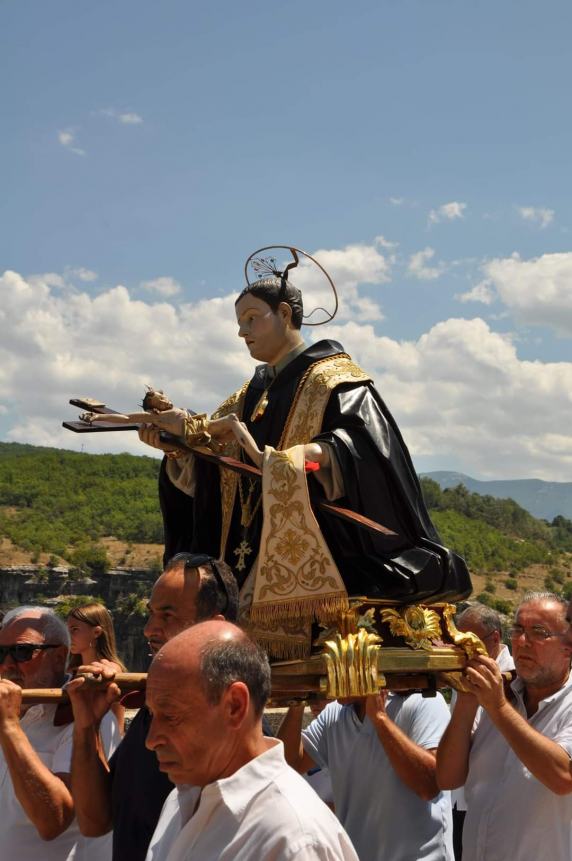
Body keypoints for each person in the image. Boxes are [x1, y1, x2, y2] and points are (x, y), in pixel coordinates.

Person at [139, 256, 470, 657]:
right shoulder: (248, 394)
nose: (242, 332)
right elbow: (216, 463)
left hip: (328, 547)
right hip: (250, 557)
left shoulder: (334, 379)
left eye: (251, 319)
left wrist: (305, 456)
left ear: (283, 314)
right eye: (240, 322)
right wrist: (180, 451)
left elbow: (368, 450)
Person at [67, 553, 239, 861]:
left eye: (167, 616)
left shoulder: (230, 728)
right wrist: (86, 727)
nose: (148, 629)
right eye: (151, 615)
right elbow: (95, 821)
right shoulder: (151, 715)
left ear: (213, 626)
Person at [144, 620, 358, 861]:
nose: (151, 740)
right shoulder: (180, 801)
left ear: (235, 706)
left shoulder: (294, 841)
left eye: (170, 715)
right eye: (152, 714)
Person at [437, 591, 572, 861]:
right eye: (518, 629)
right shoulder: (502, 692)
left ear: (568, 646)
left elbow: (562, 777)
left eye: (539, 632)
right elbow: (447, 778)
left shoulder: (500, 702)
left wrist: (497, 706)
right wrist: (466, 700)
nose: (522, 642)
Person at [0, 606, 120, 860]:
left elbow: (53, 821)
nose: (7, 665)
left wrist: (9, 727)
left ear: (59, 656)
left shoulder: (87, 718)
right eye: (1, 653)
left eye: (22, 652)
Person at [279, 690, 453, 861]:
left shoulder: (425, 700)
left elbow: (430, 786)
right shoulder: (333, 714)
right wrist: (297, 702)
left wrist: (379, 719)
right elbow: (288, 763)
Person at [448, 604, 514, 860]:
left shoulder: (514, 679)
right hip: (462, 798)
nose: (462, 651)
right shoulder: (463, 676)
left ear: (494, 638)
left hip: (502, 803)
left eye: (469, 643)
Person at [67, 602, 127, 734]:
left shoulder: (112, 671)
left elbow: (117, 724)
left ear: (96, 632)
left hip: (103, 740)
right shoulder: (69, 672)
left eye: (74, 629)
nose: (68, 635)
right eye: (68, 630)